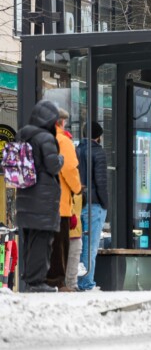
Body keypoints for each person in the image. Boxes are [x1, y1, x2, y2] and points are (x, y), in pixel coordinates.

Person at [15, 100, 64, 293]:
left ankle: (30, 279)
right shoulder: (45, 138)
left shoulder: (23, 134)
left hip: (26, 195)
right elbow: (53, 165)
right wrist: (61, 159)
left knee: (30, 241)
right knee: (42, 241)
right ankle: (37, 282)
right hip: (41, 200)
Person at [48, 109, 82, 291]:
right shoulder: (63, 140)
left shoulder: (44, 139)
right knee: (60, 245)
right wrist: (77, 188)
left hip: (43, 201)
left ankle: (45, 281)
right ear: (60, 122)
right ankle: (58, 283)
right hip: (60, 201)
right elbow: (69, 168)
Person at [76, 122, 108, 291]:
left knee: (77, 245)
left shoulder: (77, 150)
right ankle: (86, 283)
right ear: (98, 136)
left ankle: (76, 280)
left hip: (77, 204)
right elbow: (101, 182)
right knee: (91, 246)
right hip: (94, 204)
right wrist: (105, 203)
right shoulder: (98, 152)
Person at [65, 193, 84, 292]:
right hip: (67, 228)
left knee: (74, 255)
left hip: (74, 229)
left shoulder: (78, 191)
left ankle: (71, 284)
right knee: (73, 255)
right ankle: (70, 284)